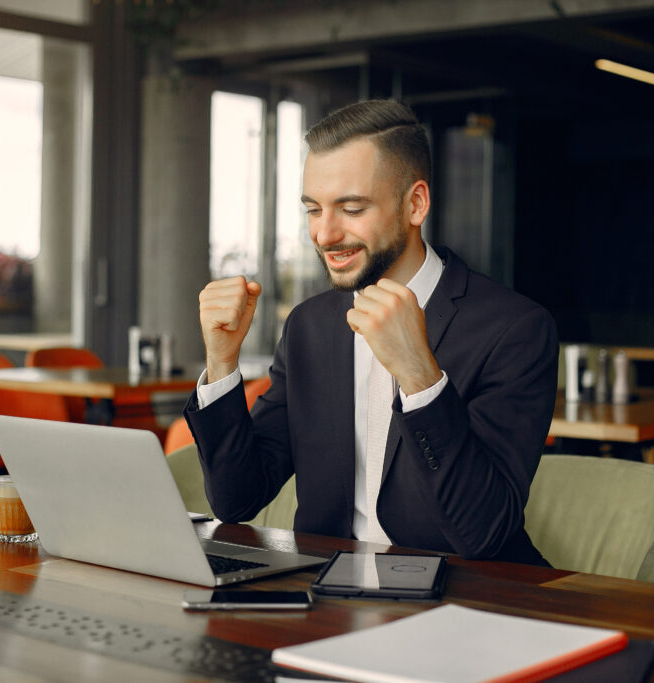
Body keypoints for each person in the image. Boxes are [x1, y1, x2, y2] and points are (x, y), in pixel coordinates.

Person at [185, 99, 557, 564]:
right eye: (313, 210)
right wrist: (221, 362)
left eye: (352, 208)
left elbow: (482, 532)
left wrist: (421, 376)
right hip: (328, 599)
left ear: (415, 204)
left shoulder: (515, 330)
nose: (324, 234)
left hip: (466, 601)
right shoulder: (309, 326)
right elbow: (237, 500)